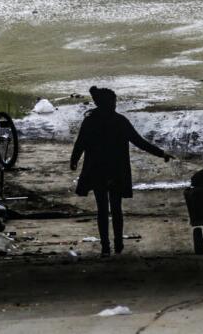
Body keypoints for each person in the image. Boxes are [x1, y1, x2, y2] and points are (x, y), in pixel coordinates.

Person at [70, 86, 172, 257]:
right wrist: (161, 153)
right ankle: (118, 243)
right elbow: (139, 142)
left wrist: (74, 160)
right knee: (116, 208)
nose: (115, 104)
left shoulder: (90, 121)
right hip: (116, 171)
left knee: (102, 209)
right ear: (108, 103)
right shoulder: (120, 121)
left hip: (96, 170)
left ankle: (105, 246)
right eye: (113, 101)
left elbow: (80, 143)